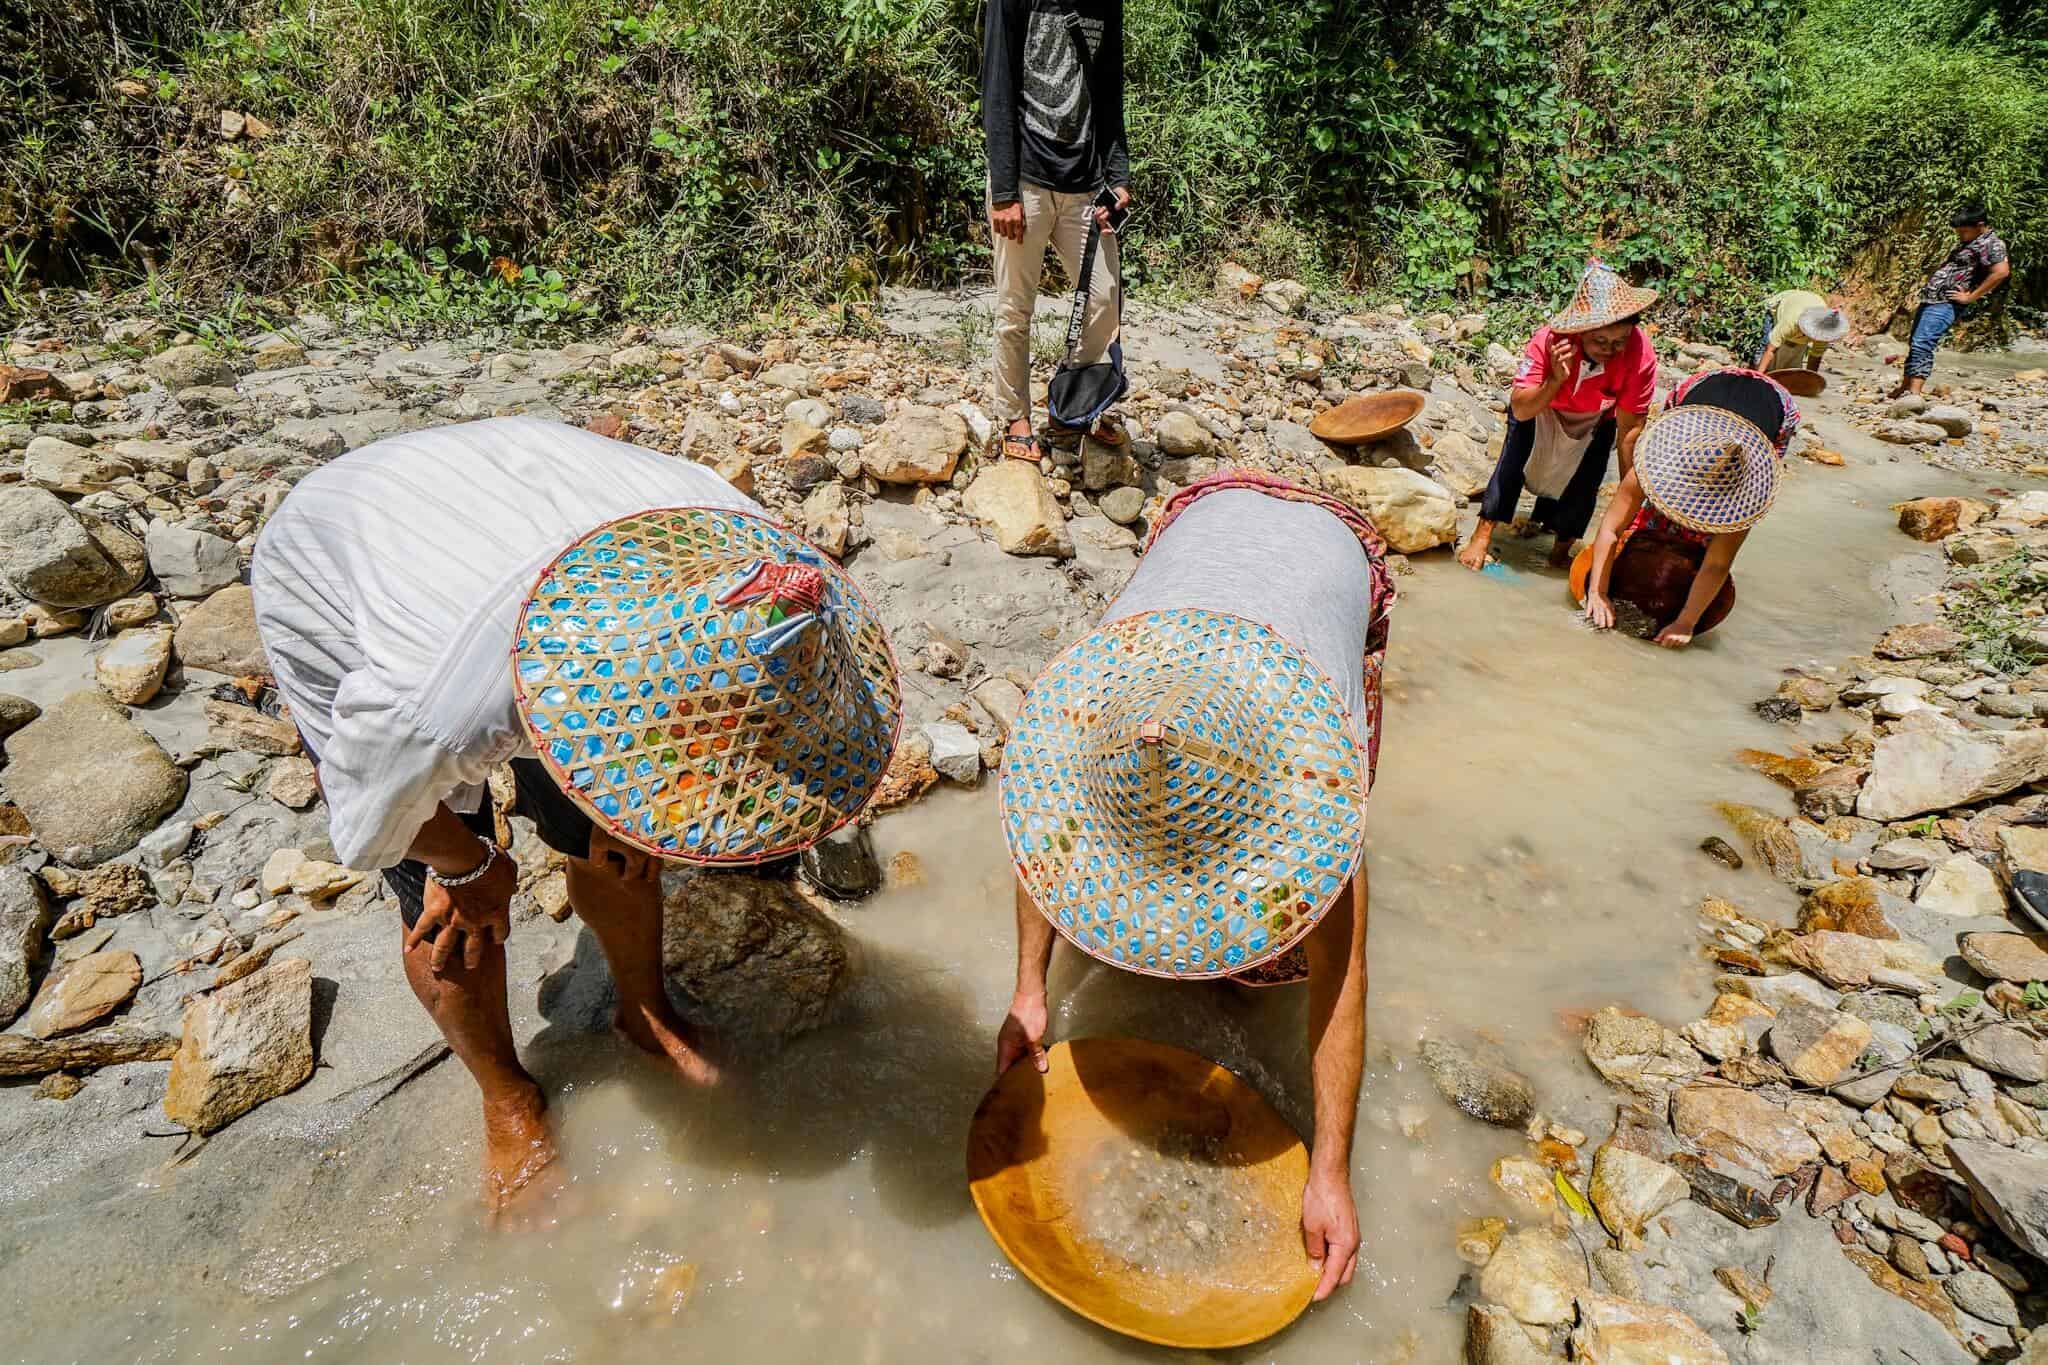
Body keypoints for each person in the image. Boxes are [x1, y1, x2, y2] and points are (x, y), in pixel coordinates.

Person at [251, 417, 900, 1210]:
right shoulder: (436, 706)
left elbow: (702, 736)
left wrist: (634, 813)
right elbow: (370, 814)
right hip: (342, 561)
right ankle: (508, 1095)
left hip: (524, 507)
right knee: (454, 912)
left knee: (623, 842)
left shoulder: (755, 561)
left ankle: (644, 1012)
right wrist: (470, 864)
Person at [994, 469, 1395, 1304]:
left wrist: (1329, 1171)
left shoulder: (1311, 773)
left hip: (1330, 558)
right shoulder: (1099, 722)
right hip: (1204, 526)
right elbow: (1052, 845)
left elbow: (1342, 977)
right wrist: (1029, 989)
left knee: (1277, 956)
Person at [982, 0, 1131, 462]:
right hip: (1024, 179)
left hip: (1086, 182)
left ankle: (1067, 406)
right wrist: (1004, 191)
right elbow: (997, 88)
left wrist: (1119, 175)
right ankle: (1015, 415)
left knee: (1106, 299)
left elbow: (1108, 88)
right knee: (1015, 307)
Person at [1459, 260, 1660, 573]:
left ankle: (1559, 552)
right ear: (1581, 331)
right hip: (1543, 408)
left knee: (1586, 480)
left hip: (1597, 417)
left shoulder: (1640, 355)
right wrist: (1554, 380)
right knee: (1513, 460)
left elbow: (1630, 431)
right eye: (1600, 341)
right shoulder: (1550, 341)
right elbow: (1522, 408)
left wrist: (1630, 501)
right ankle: (1482, 534)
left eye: (1619, 341)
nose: (1610, 349)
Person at [1575, 368, 1797, 648]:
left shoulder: (1744, 490)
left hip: (1771, 413)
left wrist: (1686, 621)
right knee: (1644, 522)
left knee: (1703, 541)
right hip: (1701, 392)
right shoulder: (1658, 459)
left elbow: (1717, 563)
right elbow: (1611, 528)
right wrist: (1598, 592)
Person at [1888, 202, 2012, 400]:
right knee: (1916, 343)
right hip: (1933, 299)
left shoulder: (1992, 243)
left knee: (1923, 344)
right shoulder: (1971, 242)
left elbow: (2001, 272)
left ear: (1980, 225)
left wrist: (1971, 297)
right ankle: (1906, 386)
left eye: (1964, 231)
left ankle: (1915, 393)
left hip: (1946, 303)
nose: (1960, 235)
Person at [1754, 289, 1849, 374]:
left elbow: (1815, 358)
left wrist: (1811, 380)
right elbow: (1769, 350)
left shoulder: (1823, 331)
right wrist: (1759, 376)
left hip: (1811, 302)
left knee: (1792, 361)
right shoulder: (1791, 322)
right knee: (1763, 350)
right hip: (1783, 303)